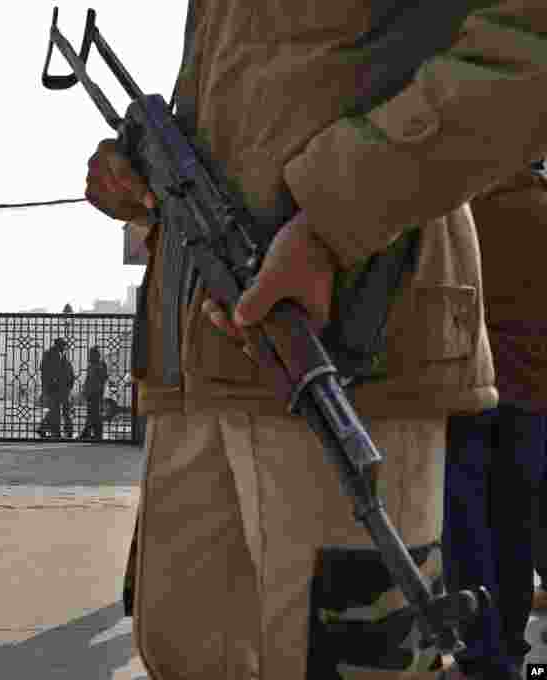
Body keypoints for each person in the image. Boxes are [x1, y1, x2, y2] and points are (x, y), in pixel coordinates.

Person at [83, 2, 547, 678]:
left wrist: (337, 213)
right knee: (185, 648)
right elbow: (273, 93)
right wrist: (141, 178)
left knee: (343, 661)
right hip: (204, 359)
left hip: (354, 342)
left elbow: (527, 46)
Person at [441, 162, 547, 679]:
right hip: (534, 403)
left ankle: (486, 655)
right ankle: (509, 646)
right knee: (517, 532)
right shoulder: (539, 209)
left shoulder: (459, 209)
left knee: (471, 536)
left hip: (468, 393)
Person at [37, 337, 75, 438]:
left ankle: (46, 428)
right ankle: (56, 430)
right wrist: (49, 385)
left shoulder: (61, 355)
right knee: (56, 410)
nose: (65, 348)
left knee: (61, 410)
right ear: (59, 345)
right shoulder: (50, 354)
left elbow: (67, 369)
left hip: (63, 387)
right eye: (63, 345)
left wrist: (70, 381)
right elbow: (46, 371)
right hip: (54, 387)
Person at [79, 346, 109, 440]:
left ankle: (89, 433)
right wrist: (84, 391)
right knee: (93, 414)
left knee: (94, 414)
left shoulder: (100, 365)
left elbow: (102, 378)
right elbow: (88, 380)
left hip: (96, 392)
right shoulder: (92, 365)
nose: (89, 356)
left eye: (91, 354)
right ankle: (94, 433)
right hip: (92, 393)